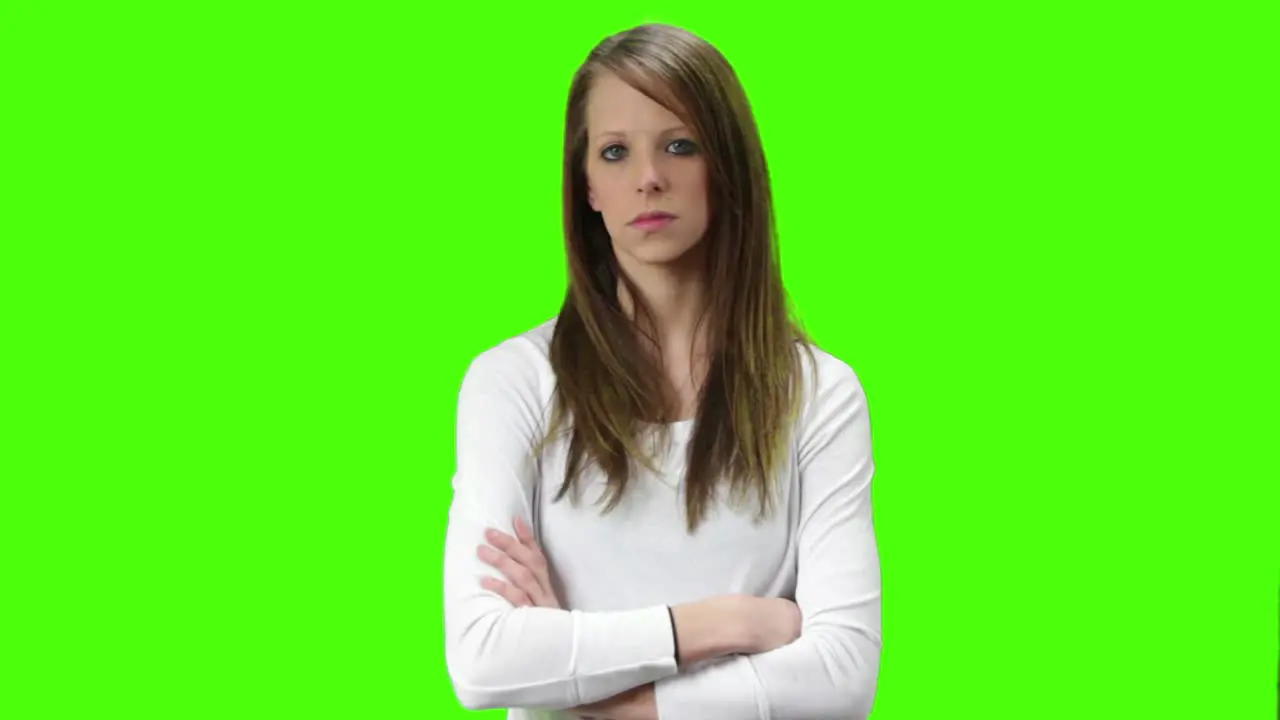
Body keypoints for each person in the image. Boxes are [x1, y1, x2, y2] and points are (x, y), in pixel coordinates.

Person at [442, 22, 881, 720]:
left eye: (679, 145)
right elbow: (483, 658)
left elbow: (842, 676)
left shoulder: (819, 395)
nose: (648, 177)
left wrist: (590, 695)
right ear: (587, 186)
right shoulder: (514, 382)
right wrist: (730, 623)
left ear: (726, 166)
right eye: (615, 152)